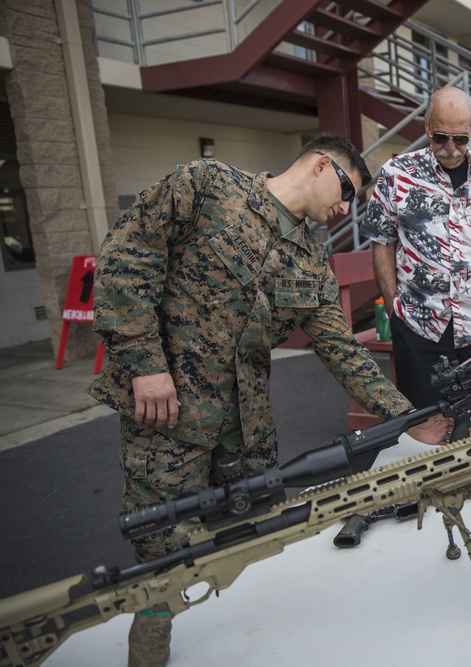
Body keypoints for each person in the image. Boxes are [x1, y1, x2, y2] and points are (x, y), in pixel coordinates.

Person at [89, 134, 452, 667]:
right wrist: (144, 364)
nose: (346, 208)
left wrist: (405, 418)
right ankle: (150, 650)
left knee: (251, 540)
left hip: (242, 430)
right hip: (167, 419)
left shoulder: (309, 262)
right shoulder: (207, 186)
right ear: (321, 166)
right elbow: (126, 257)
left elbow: (340, 349)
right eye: (348, 191)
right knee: (157, 550)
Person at [361, 86, 471, 411]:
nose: (452, 148)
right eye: (441, 137)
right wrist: (393, 311)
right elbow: (381, 243)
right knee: (425, 430)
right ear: (427, 128)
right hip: (420, 329)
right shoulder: (396, 174)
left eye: (462, 139)